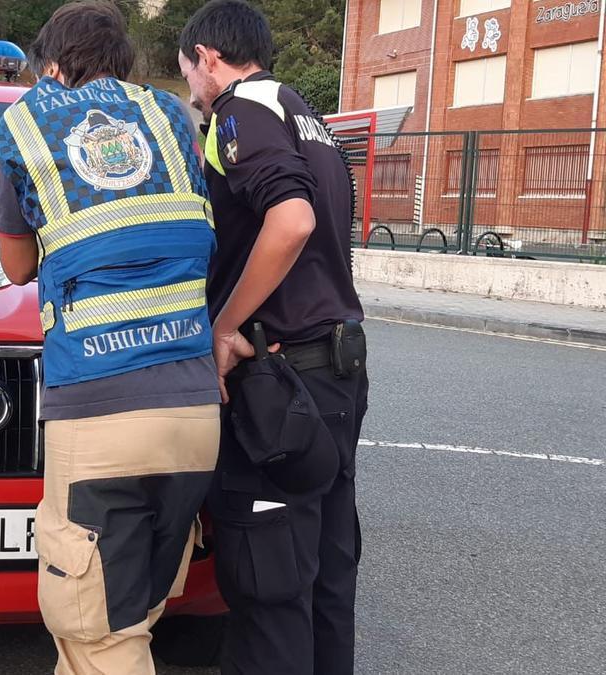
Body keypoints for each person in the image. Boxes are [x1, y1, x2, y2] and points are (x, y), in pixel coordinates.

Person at [0, 2, 221, 673]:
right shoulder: (173, 118)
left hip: (98, 414)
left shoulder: (32, 128)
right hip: (191, 408)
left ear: (52, 65)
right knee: (123, 619)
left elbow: (14, 265)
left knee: (100, 633)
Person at [178, 2, 370, 673]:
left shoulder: (238, 114)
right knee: (326, 572)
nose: (190, 90)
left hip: (280, 380)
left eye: (187, 71)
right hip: (339, 367)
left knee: (270, 582)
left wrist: (224, 323)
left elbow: (289, 222)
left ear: (206, 56)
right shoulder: (306, 116)